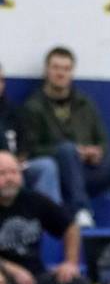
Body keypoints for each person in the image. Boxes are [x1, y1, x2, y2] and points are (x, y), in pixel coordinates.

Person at [21, 46, 110, 226]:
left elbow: (103, 141)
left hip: (90, 171)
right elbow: (30, 150)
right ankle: (80, 210)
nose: (61, 73)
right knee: (67, 149)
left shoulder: (85, 103)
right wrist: (75, 151)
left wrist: (97, 152)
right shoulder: (33, 106)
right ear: (47, 70)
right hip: (62, 174)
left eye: (66, 68)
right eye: (56, 67)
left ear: (72, 72)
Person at [0, 149, 94, 284]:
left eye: (13, 172)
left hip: (35, 279)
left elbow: (70, 226)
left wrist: (71, 262)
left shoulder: (33, 200)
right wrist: (13, 271)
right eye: (2, 173)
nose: (9, 178)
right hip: (3, 281)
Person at [0, 61, 62, 204]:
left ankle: (49, 219)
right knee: (10, 177)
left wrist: (17, 161)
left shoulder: (12, 111)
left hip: (15, 165)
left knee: (46, 166)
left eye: (1, 80)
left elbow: (25, 143)